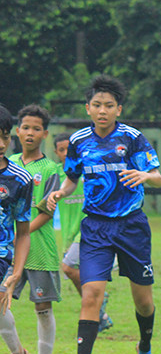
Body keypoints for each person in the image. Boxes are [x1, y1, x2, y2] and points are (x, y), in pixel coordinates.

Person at [46, 74, 161, 354]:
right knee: (91, 293)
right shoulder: (79, 142)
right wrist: (60, 192)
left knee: (143, 301)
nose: (102, 110)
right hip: (96, 227)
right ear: (88, 108)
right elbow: (71, 179)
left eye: (109, 105)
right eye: (97, 105)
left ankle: (145, 348)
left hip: (131, 226)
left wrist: (145, 176)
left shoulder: (133, 138)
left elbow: (159, 177)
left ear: (118, 109)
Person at [6, 106, 64, 354]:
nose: (30, 133)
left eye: (36, 128)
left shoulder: (51, 170)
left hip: (39, 249)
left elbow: (46, 211)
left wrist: (20, 234)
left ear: (45, 134)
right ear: (17, 131)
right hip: (9, 250)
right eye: (25, 127)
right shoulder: (8, 163)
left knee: (43, 307)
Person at [54, 133, 113, 332]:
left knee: (68, 267)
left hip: (89, 230)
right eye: (61, 150)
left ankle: (98, 304)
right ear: (56, 152)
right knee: (84, 276)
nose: (65, 153)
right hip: (69, 234)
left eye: (68, 149)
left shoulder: (89, 171)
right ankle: (100, 313)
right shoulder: (56, 175)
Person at [0, 104, 34, 354]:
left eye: (4, 136)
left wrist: (16, 272)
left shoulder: (19, 179)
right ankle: (19, 353)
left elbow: (23, 232)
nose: (0, 143)